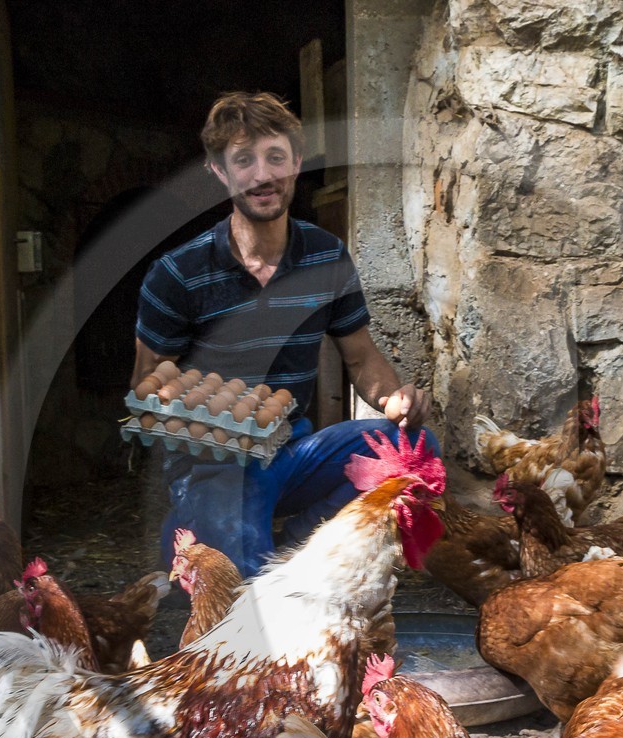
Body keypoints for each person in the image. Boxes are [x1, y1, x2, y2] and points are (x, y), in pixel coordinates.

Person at [134, 91, 438, 575]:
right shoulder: (178, 273)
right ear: (220, 172)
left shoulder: (325, 256)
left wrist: (393, 399)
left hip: (291, 449)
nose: (263, 175)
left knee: (412, 451)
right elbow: (147, 384)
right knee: (244, 597)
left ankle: (292, 548)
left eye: (275, 157)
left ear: (296, 163)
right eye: (244, 161)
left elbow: (361, 358)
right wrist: (208, 416)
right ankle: (205, 528)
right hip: (215, 464)